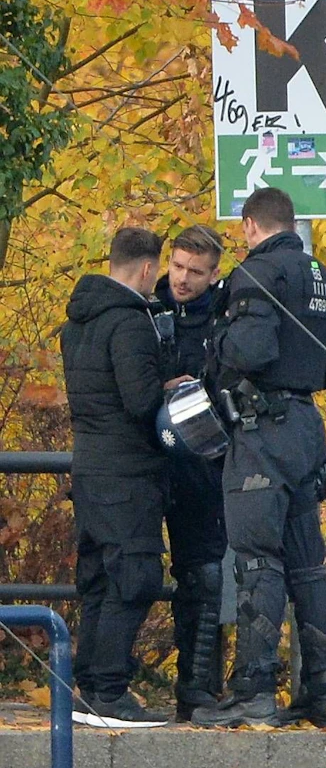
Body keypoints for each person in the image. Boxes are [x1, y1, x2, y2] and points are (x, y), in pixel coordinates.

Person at [195, 189, 326, 729]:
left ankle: (254, 690)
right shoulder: (325, 279)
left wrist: (219, 347)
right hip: (308, 425)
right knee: (309, 563)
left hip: (262, 430)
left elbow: (250, 351)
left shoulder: (257, 274)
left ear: (249, 225)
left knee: (258, 558)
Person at [61, 226, 169, 725]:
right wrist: (171, 383)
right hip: (127, 471)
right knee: (135, 576)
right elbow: (141, 399)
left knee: (99, 578)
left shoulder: (79, 321)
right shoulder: (128, 323)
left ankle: (86, 685)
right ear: (147, 269)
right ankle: (109, 690)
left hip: (89, 465)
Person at [153, 224, 230, 721]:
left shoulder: (223, 320)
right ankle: (110, 682)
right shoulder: (146, 310)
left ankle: (198, 688)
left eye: (194, 272)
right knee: (129, 574)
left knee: (204, 578)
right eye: (177, 267)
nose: (183, 279)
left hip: (203, 463)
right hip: (149, 458)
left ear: (213, 274)